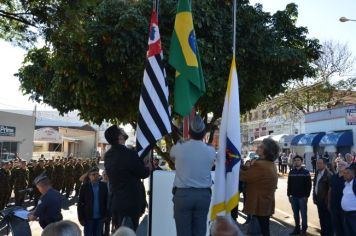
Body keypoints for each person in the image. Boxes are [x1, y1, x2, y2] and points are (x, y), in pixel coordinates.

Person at [170, 115, 216, 236]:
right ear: (203, 133)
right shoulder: (210, 150)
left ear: (189, 132)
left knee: (183, 233)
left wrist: (183, 142)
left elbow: (171, 155)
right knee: (200, 232)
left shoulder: (179, 147)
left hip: (183, 195)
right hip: (203, 195)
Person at [104, 125, 151, 231]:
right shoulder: (128, 154)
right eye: (121, 130)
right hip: (130, 204)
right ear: (119, 136)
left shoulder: (108, 155)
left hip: (116, 203)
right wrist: (148, 168)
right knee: (129, 232)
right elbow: (143, 173)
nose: (123, 131)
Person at [240, 138, 280, 236]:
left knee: (261, 231)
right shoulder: (270, 164)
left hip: (259, 205)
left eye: (261, 146)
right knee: (264, 229)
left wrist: (233, 166)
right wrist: (242, 166)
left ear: (266, 151)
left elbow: (245, 176)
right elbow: (251, 172)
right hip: (264, 203)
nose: (258, 147)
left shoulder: (261, 165)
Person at [77, 166, 108, 236]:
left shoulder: (103, 186)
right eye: (93, 174)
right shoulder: (84, 187)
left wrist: (106, 215)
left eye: (97, 174)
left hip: (100, 218)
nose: (96, 176)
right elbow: (80, 204)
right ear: (89, 176)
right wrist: (81, 218)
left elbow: (106, 201)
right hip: (88, 218)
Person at [287, 155, 311, 235]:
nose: (297, 161)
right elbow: (289, 184)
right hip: (293, 197)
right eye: (295, 160)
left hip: (302, 198)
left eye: (298, 160)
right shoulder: (291, 172)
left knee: (303, 215)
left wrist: (306, 196)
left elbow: (309, 186)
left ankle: (304, 230)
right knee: (295, 215)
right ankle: (297, 228)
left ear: (301, 161)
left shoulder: (306, 172)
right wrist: (289, 195)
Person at [313, 158, 333, 236]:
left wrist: (328, 202)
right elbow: (315, 186)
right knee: (321, 219)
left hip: (325, 202)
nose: (318, 164)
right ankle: (323, 233)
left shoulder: (329, 174)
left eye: (320, 163)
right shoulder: (317, 172)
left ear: (324, 164)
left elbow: (330, 190)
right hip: (319, 200)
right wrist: (314, 197)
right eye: (317, 163)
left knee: (327, 220)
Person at [328, 160, 347, 236]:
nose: (340, 165)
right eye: (338, 164)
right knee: (336, 227)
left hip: (344, 209)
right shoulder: (333, 177)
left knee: (345, 228)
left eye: (342, 164)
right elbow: (330, 190)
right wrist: (329, 203)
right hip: (334, 206)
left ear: (346, 167)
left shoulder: (348, 178)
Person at [341, 165, 356, 236]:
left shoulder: (355, 184)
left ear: (353, 174)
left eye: (347, 173)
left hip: (353, 215)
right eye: (344, 173)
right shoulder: (346, 184)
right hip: (346, 214)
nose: (344, 175)